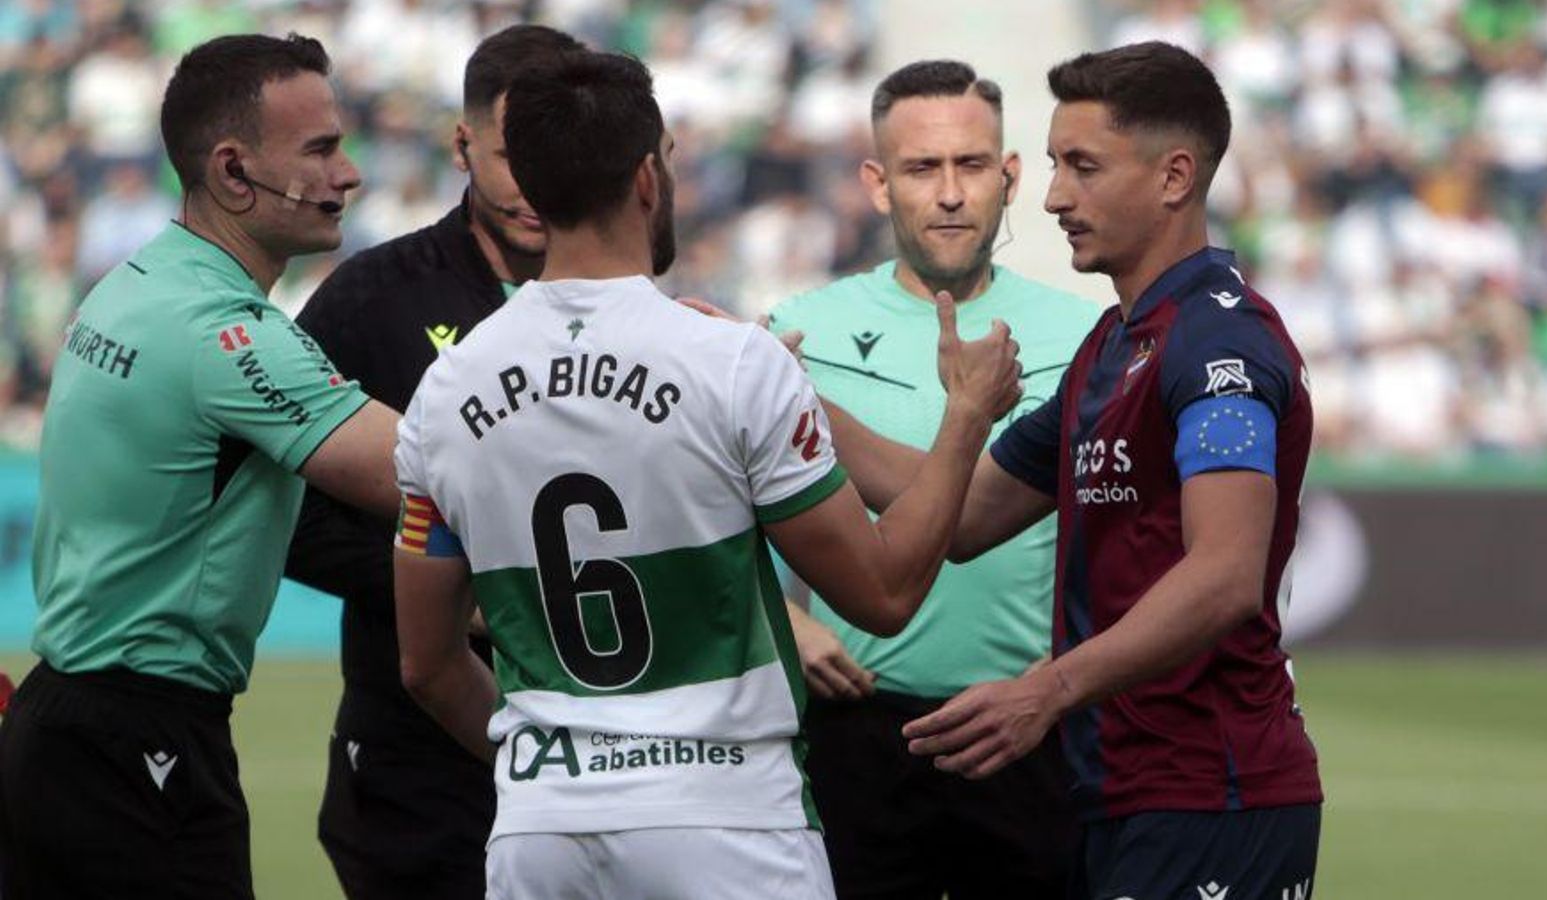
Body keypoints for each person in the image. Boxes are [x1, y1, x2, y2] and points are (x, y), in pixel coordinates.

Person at [390, 50, 1021, 900]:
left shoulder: (444, 390)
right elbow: (884, 591)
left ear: (531, 191)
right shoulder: (731, 363)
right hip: (724, 819)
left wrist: (562, 773)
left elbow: (427, 666)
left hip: (541, 830)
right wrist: (967, 418)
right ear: (649, 177)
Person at [828, 42, 1324, 900]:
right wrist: (782, 394)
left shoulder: (1220, 345)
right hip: (1115, 792)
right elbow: (967, 514)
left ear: (1174, 178)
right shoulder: (1112, 346)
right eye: (1057, 165)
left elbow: (1226, 573)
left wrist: (1045, 690)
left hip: (1214, 795)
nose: (1055, 196)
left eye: (1083, 167)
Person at [0, 33, 399, 899]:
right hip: (141, 746)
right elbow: (426, 471)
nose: (349, 175)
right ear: (231, 170)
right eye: (322, 150)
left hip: (57, 724)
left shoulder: (132, 282)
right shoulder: (228, 336)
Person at [767, 59, 1098, 900]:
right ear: (879, 185)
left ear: (1010, 176)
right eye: (922, 168)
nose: (950, 193)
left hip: (1029, 725)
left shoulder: (1090, 333)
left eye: (972, 165)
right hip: (858, 730)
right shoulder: (802, 330)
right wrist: (789, 622)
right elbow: (730, 512)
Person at [283, 25, 583, 900]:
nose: (533, 185)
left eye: (555, 154)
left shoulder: (632, 305)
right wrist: (452, 593)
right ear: (461, 145)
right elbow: (285, 515)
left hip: (603, 758)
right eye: (507, 154)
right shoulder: (371, 298)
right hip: (414, 770)